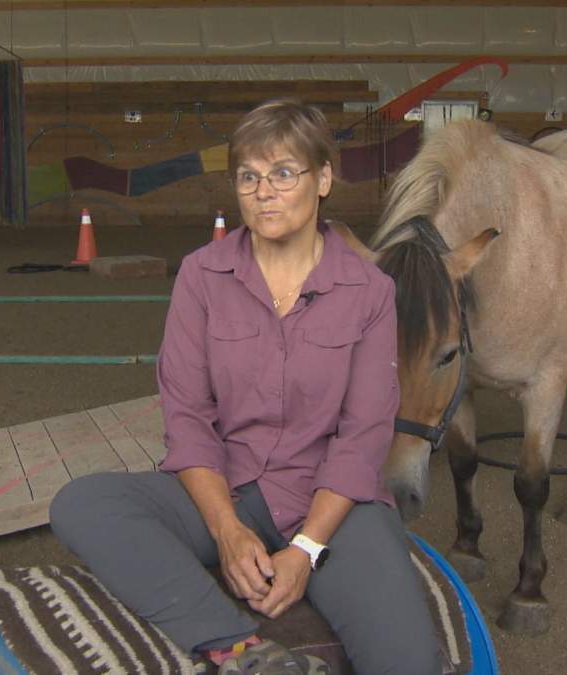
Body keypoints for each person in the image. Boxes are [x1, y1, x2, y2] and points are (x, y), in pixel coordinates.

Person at [49, 98, 443, 675]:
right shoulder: (202, 275)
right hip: (226, 487)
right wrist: (227, 531)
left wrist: (306, 551)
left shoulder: (369, 291)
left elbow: (362, 439)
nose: (264, 191)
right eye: (248, 177)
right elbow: (187, 417)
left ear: (324, 179)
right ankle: (239, 649)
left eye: (284, 173)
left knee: (408, 663)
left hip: (330, 502)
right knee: (84, 503)